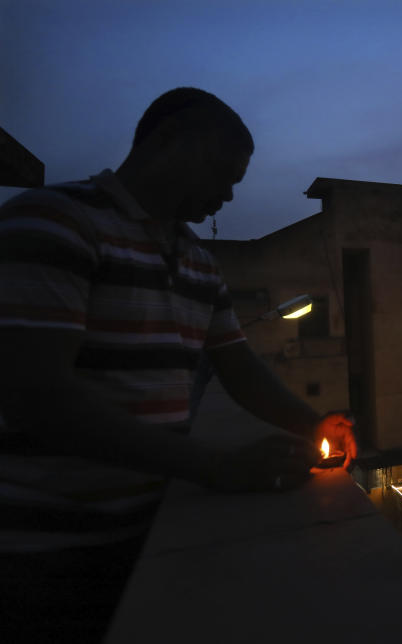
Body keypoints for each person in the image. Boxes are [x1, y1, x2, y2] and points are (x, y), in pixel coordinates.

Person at [0, 88, 356, 643]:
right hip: (45, 551)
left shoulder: (197, 264)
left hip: (152, 530)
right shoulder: (53, 222)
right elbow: (39, 397)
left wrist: (313, 424)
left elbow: (239, 368)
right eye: (224, 174)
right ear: (170, 142)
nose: (228, 195)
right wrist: (216, 467)